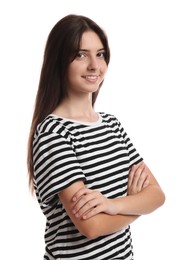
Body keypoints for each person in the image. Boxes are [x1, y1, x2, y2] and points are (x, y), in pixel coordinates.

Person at [27, 14, 165, 260]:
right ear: (60, 61)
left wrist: (114, 205)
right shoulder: (53, 133)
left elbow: (157, 195)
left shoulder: (112, 124)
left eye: (100, 54)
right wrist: (136, 205)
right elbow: (91, 226)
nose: (94, 65)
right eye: (81, 55)